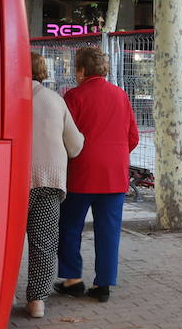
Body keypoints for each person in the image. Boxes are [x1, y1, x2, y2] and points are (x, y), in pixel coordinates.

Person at [55, 47, 139, 304]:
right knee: (109, 230)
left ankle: (72, 279)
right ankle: (103, 284)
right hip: (115, 174)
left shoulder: (73, 96)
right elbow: (133, 137)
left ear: (81, 70)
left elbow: (65, 135)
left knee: (70, 226)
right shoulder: (121, 96)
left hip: (81, 172)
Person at [25, 52, 84, 318]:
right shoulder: (55, 100)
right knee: (44, 242)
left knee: (6, 243)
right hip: (50, 181)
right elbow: (75, 146)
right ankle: (37, 301)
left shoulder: (8, 98)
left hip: (16, 182)